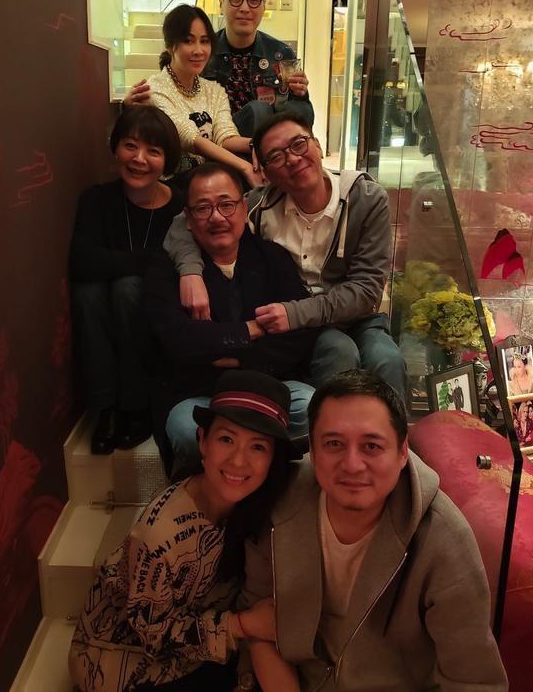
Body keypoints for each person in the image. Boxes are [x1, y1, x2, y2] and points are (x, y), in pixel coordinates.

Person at [237, 370, 509, 692]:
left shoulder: (445, 541)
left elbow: (472, 681)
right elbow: (257, 620)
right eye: (334, 444)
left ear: (402, 451)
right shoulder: (279, 499)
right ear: (312, 447)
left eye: (371, 446)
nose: (352, 465)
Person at [69, 370, 293, 692]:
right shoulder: (159, 536)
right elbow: (154, 636)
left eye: (258, 447)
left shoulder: (254, 504)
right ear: (202, 440)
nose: (238, 460)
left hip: (201, 637)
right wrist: (242, 625)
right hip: (125, 660)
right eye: (226, 439)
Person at [165, 111, 407, 404]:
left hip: (352, 316)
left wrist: (294, 313)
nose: (292, 159)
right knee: (338, 350)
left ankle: (393, 433)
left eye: (299, 144)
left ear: (317, 145)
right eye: (277, 156)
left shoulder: (365, 199)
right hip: (301, 329)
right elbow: (186, 221)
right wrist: (190, 272)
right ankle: (327, 429)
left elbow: (367, 290)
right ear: (266, 172)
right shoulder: (261, 204)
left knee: (388, 359)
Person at [144, 162, 318, 480]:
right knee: (185, 429)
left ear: (244, 206)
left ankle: (276, 488)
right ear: (188, 218)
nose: (216, 217)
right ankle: (208, 499)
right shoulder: (166, 270)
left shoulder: (272, 257)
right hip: (200, 392)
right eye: (203, 208)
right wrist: (251, 329)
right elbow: (179, 341)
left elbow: (299, 334)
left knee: (311, 406)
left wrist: (234, 354)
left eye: (226, 204)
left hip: (269, 385)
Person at [69, 106, 183, 454]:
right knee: (89, 292)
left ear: (167, 160)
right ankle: (105, 408)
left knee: (127, 288)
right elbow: (82, 263)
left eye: (153, 151)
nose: (139, 159)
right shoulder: (96, 199)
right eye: (130, 146)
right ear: (115, 148)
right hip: (108, 317)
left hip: (161, 319)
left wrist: (119, 266)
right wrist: (146, 260)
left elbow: (174, 271)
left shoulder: (179, 206)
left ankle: (136, 404)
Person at [125, 0, 314, 137]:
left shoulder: (280, 54)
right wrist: (131, 104)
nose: (245, 8)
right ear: (221, 3)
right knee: (259, 109)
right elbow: (172, 93)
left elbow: (301, 114)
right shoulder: (202, 53)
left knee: (280, 111)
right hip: (211, 139)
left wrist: (301, 94)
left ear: (264, 5)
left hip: (265, 141)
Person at [141, 4, 262, 188]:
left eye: (204, 41)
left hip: (208, 178)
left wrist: (259, 145)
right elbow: (191, 139)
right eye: (188, 41)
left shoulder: (213, 90)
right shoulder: (155, 89)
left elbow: (225, 137)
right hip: (174, 184)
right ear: (169, 46)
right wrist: (244, 167)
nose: (199, 50)